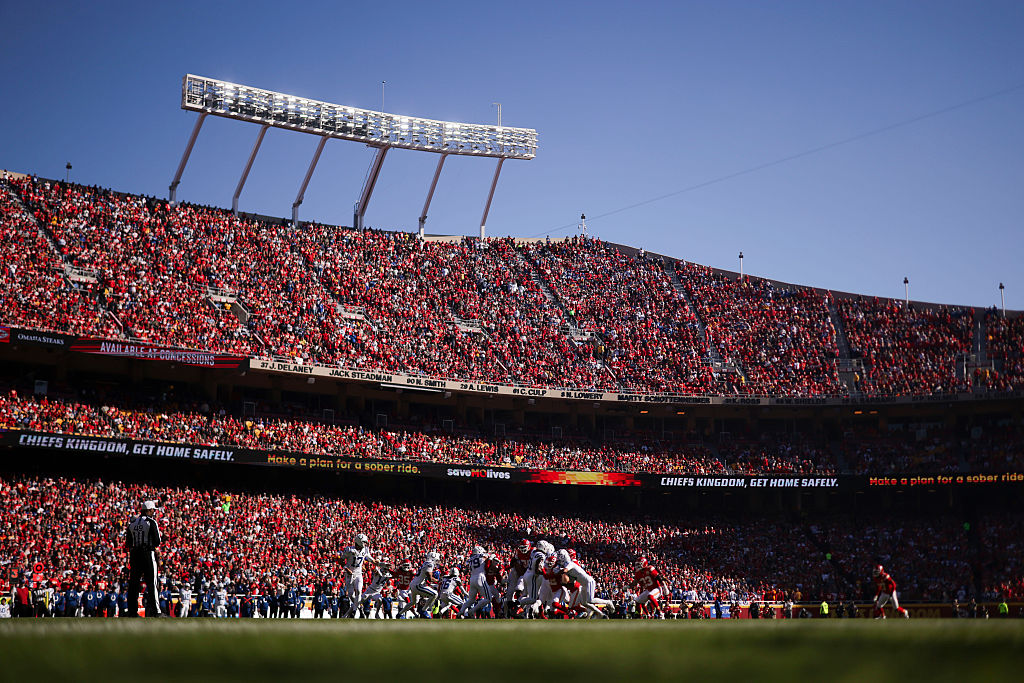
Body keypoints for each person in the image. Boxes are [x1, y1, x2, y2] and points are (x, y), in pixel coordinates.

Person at [124, 499, 164, 617]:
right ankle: (156, 611)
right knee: (152, 583)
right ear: (149, 510)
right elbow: (157, 541)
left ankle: (132, 611)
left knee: (134, 584)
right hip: (147, 553)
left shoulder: (132, 523)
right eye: (153, 510)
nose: (154, 512)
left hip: (135, 554)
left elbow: (128, 542)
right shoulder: (151, 522)